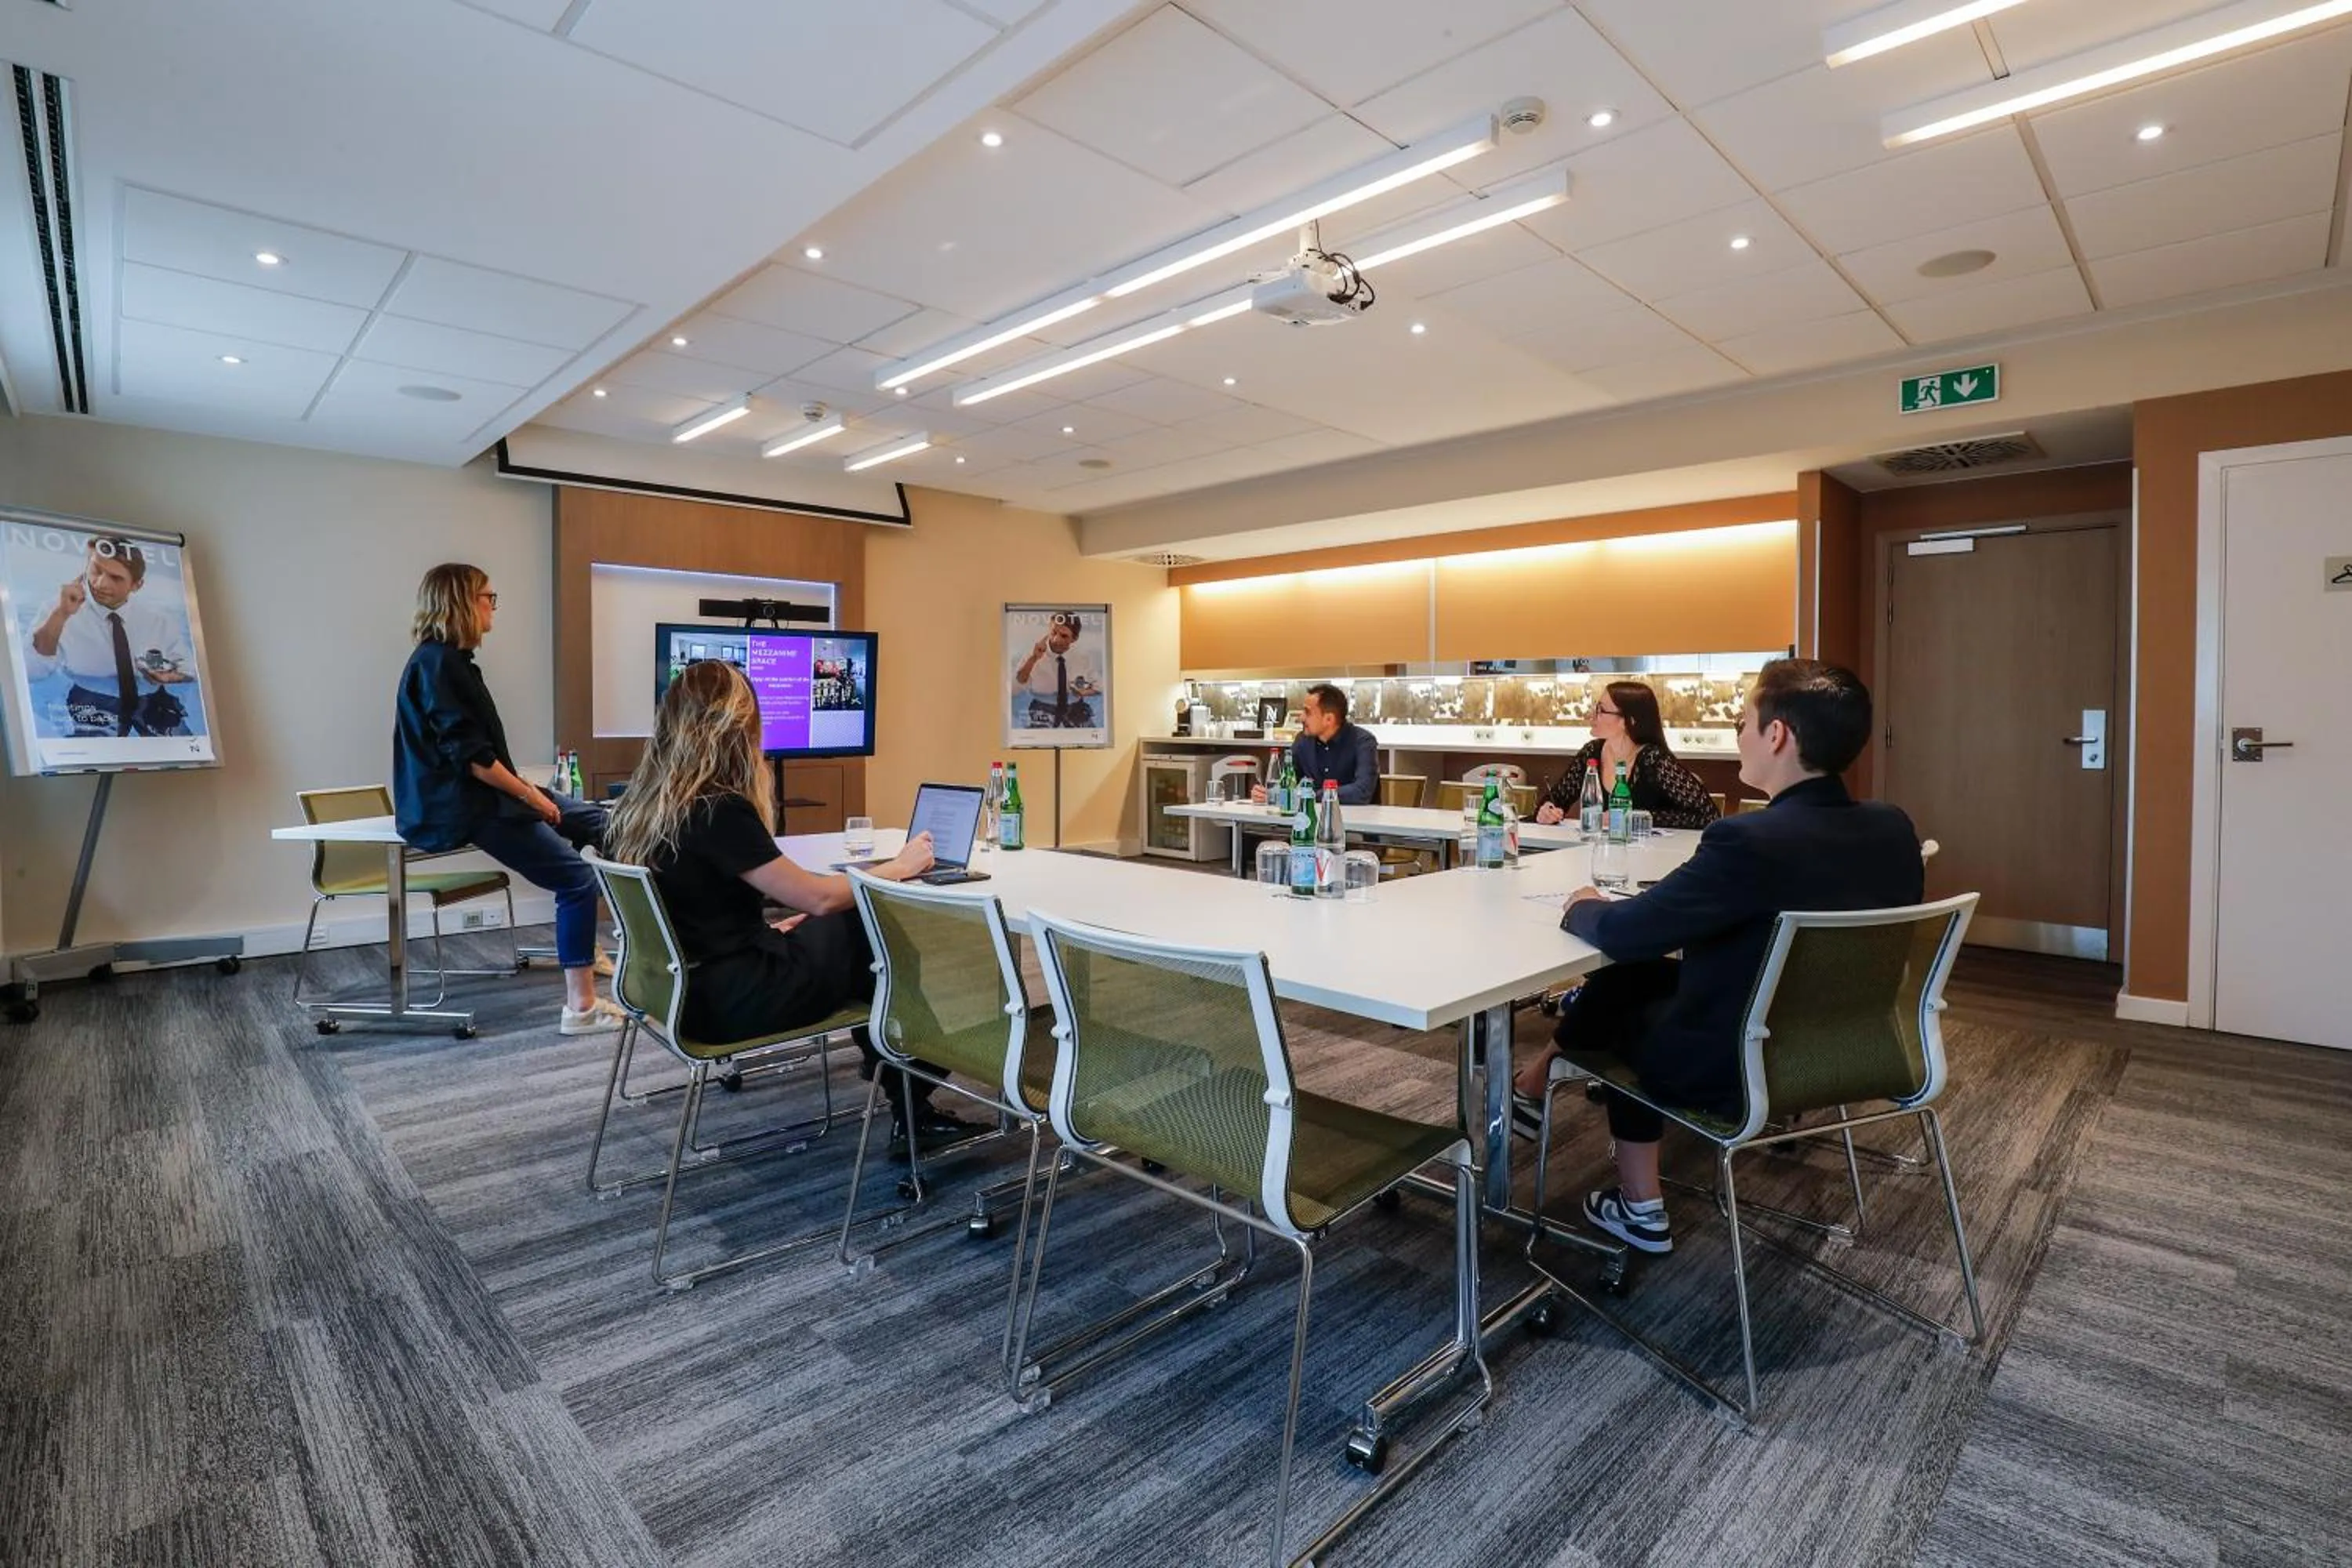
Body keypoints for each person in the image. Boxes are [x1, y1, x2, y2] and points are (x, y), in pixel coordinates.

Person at [1513, 660, 1923, 1255]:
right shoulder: (1892, 827)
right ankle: (1538, 1080)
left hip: (1738, 1063)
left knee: (1623, 996)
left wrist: (1583, 906)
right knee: (1642, 976)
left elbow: (1628, 934)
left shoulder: (1747, 841)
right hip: (1852, 1045)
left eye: (1742, 721)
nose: (1739, 734)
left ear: (1776, 735)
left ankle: (1640, 1209)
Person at [601, 660, 968, 1142]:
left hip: (681, 991)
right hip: (734, 998)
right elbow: (817, 898)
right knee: (869, 925)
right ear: (737, 728)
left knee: (842, 931)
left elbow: (699, 906)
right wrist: (898, 868)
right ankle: (911, 1086)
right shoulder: (717, 808)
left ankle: (899, 1072)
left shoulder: (640, 807)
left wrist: (760, 932)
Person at [394, 563, 619, 1036]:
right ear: (461, 602)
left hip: (486, 795)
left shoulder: (449, 661)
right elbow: (473, 760)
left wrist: (532, 793)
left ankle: (601, 945)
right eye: (487, 597)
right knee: (577, 881)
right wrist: (531, 798)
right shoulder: (437, 664)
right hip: (470, 807)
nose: (492, 607)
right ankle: (581, 1009)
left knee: (605, 825)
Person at [22, 535, 196, 736]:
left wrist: (173, 676)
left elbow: (188, 669)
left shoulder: (158, 621)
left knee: (187, 749)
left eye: (115, 578)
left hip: (151, 698)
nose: (100, 583)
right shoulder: (58, 611)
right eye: (96, 570)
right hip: (91, 699)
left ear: (137, 585)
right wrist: (61, 615)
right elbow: (32, 671)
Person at [1534, 680, 1719, 830]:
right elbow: (1556, 799)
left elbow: (1709, 817)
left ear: (1628, 721)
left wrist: (1633, 818)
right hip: (1599, 851)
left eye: (1601, 710)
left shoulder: (1654, 760)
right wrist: (1547, 811)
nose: (1591, 715)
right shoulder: (1591, 752)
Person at [1250, 682, 1378, 805]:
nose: (1301, 718)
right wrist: (1268, 793)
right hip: (1310, 820)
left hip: (1357, 823)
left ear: (1329, 719)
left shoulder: (1363, 742)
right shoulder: (1302, 741)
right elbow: (1286, 782)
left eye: (1308, 712)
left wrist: (1310, 795)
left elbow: (1362, 791)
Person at [1013, 611, 1103, 729]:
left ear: (1074, 639)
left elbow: (1100, 687)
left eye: (1064, 636)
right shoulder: (1034, 654)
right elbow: (1018, 684)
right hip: (1042, 709)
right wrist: (1034, 658)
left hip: (1075, 709)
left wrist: (1084, 692)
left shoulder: (1082, 658)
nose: (1056, 640)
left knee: (1093, 737)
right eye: (1053, 633)